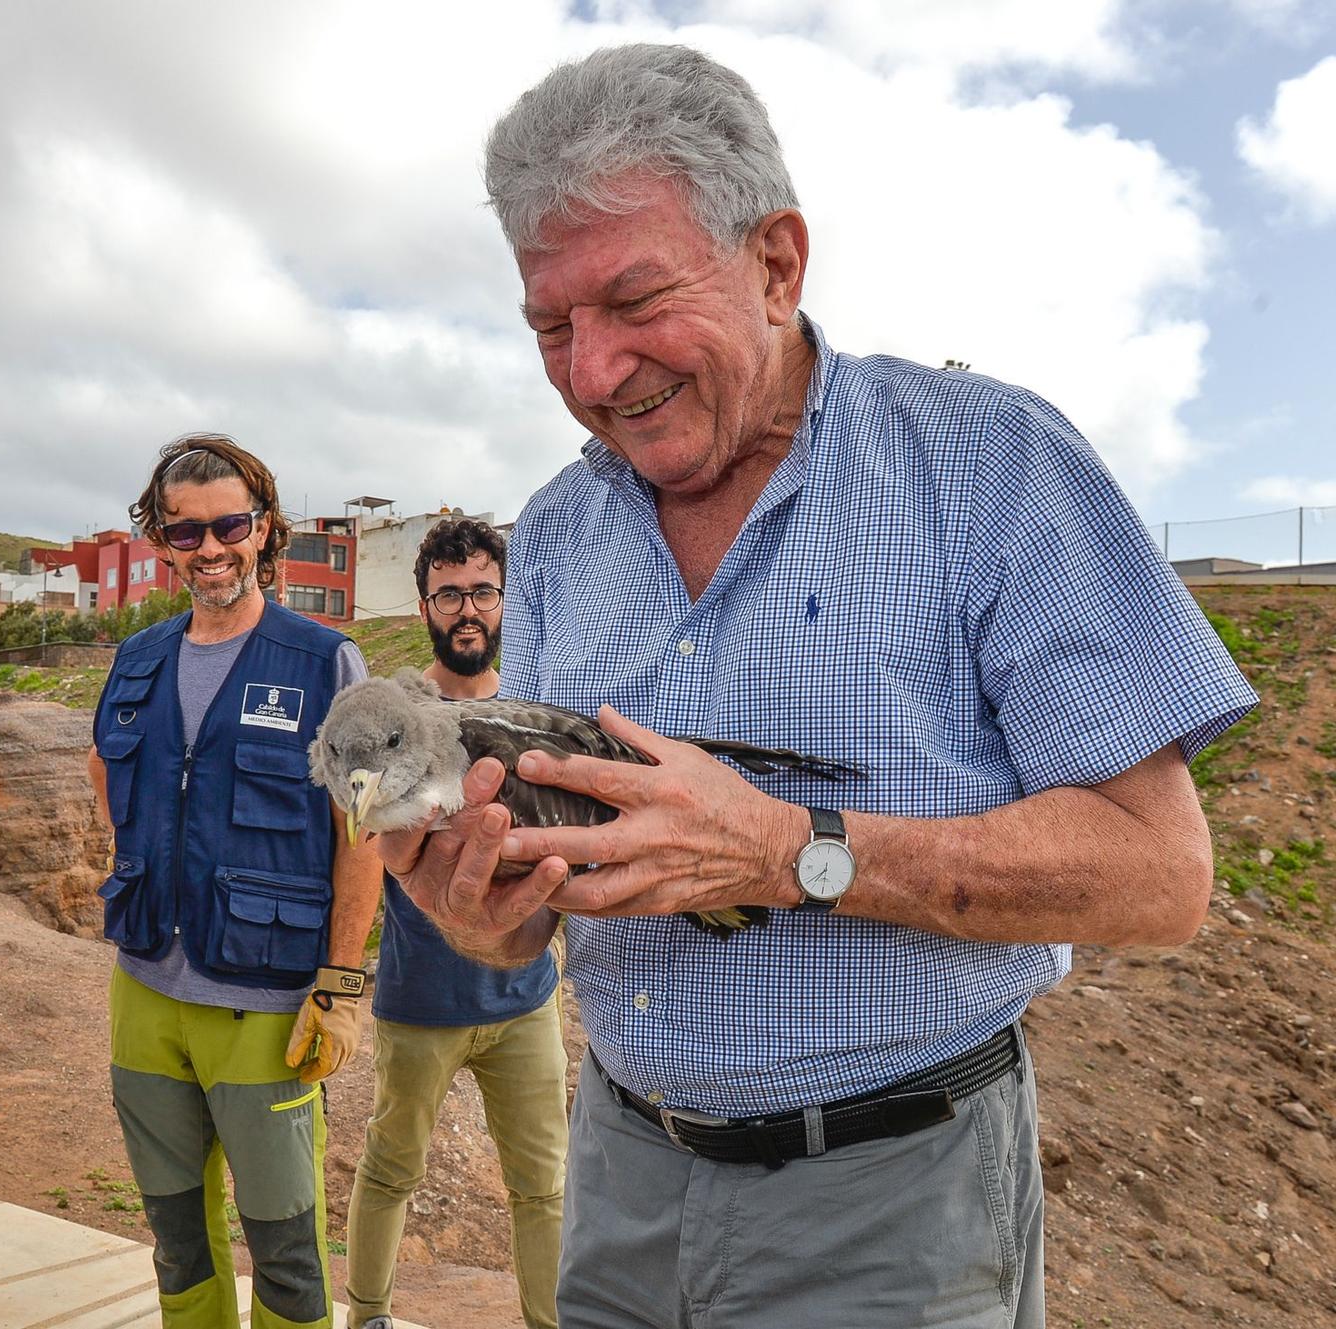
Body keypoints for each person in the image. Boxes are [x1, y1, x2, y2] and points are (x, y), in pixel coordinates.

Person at [379, 44, 1259, 1329]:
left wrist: (791, 852)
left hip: (890, 1204)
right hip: (617, 1180)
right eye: (551, 327)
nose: (588, 373)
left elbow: (1159, 878)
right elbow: (523, 929)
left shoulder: (984, 465)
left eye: (632, 302)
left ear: (776, 262)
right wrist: (470, 904)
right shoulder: (554, 534)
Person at [87, 435, 379, 1329]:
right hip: (146, 991)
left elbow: (360, 834)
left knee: (286, 1254)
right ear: (162, 540)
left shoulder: (324, 663)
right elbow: (109, 780)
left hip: (266, 1000)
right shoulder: (136, 659)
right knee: (176, 1239)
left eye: (230, 525)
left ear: (262, 530)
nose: (210, 548)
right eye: (186, 532)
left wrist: (339, 981)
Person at [343, 518, 566, 1329]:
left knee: (543, 1183)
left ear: (502, 600)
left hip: (526, 999)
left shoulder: (534, 705)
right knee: (391, 1166)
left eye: (480, 591)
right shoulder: (395, 713)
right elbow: (365, 847)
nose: (465, 609)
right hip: (420, 999)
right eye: (449, 594)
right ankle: (366, 1317)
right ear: (424, 603)